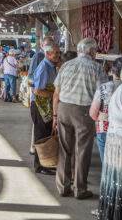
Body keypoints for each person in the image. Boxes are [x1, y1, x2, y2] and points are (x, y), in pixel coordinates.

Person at [53, 38, 107, 199]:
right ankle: (79, 189)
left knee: (64, 149)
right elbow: (102, 95)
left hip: (64, 108)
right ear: (92, 52)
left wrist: (55, 115)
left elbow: (56, 93)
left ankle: (63, 187)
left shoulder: (66, 65)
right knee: (82, 150)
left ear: (79, 51)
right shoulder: (97, 68)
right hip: (84, 112)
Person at [31, 42, 60, 175]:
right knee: (41, 136)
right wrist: (55, 94)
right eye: (56, 53)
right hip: (39, 106)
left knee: (47, 135)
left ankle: (46, 162)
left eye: (58, 53)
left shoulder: (52, 66)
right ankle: (39, 166)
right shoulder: (44, 67)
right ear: (48, 54)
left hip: (46, 106)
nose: (58, 56)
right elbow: (37, 91)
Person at [96, 82, 122, 220]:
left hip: (111, 135)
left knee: (112, 177)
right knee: (117, 178)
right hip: (118, 138)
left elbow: (93, 113)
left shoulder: (114, 88)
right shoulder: (120, 90)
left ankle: (110, 212)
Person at [90, 57, 122, 163]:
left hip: (105, 129)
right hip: (121, 130)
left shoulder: (104, 88)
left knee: (107, 164)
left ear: (112, 71)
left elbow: (93, 114)